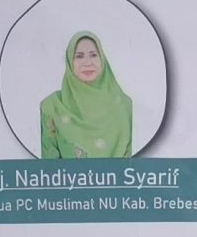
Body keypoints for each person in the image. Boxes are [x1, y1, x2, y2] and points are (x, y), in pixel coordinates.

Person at [40, 31, 133, 159]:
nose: (87, 62)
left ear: (102, 59)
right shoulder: (53, 106)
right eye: (79, 56)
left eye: (93, 55)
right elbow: (47, 165)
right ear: (70, 61)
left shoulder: (124, 106)